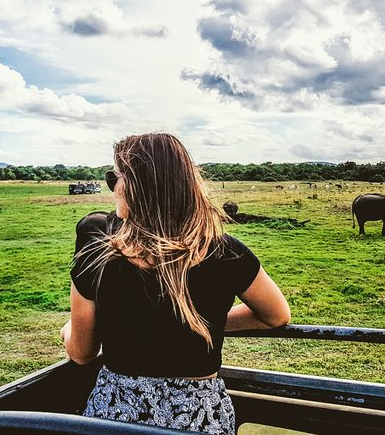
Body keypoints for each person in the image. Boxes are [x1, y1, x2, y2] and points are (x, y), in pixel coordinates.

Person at [60, 133, 290, 434]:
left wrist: (68, 329)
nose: (113, 188)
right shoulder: (225, 251)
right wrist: (208, 323)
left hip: (115, 416)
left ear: (137, 185)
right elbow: (276, 316)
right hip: (199, 419)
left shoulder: (97, 258)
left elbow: (81, 353)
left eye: (114, 178)